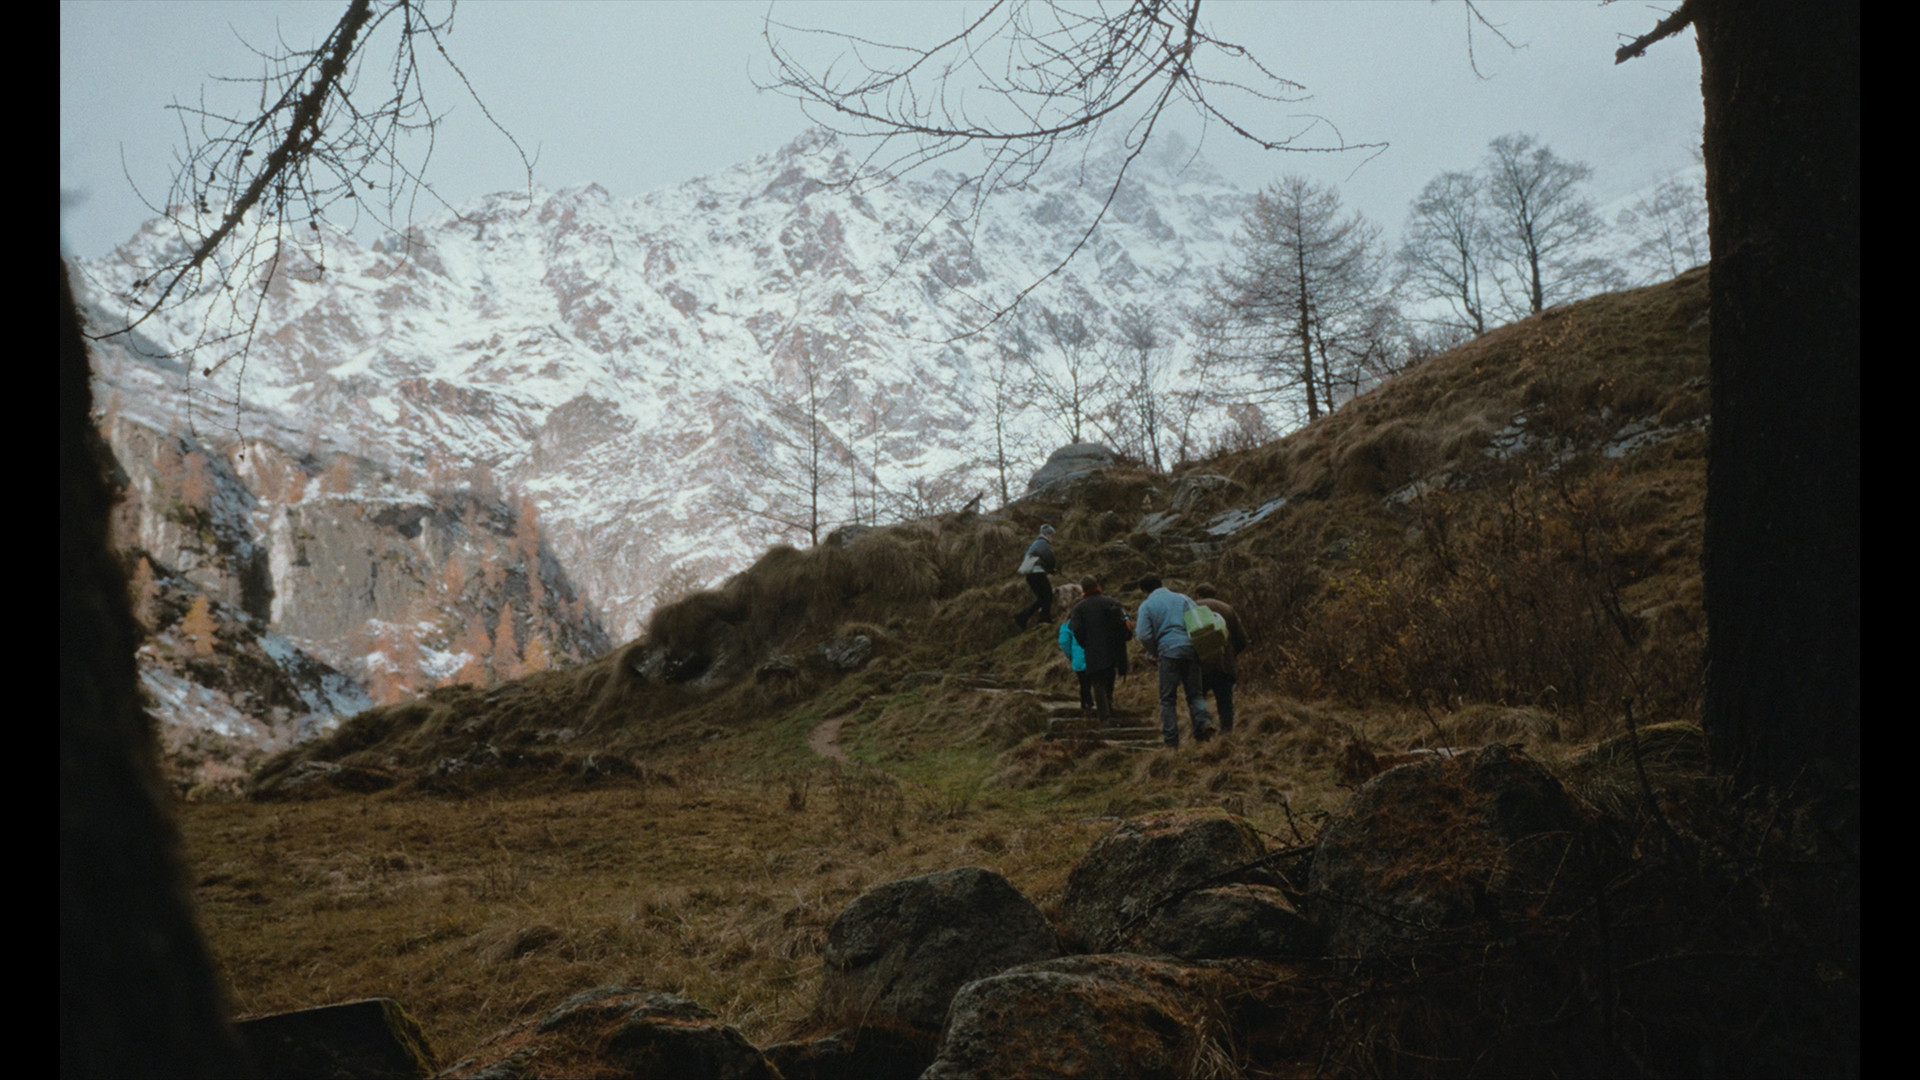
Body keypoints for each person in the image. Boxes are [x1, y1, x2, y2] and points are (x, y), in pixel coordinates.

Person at [1133, 573, 1214, 747]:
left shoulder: (1147, 606)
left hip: (1167, 652)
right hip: (1190, 649)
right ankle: (1203, 725)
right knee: (1195, 694)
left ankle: (1171, 741)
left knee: (1168, 699)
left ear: (1145, 591)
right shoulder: (1183, 599)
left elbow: (1143, 634)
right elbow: (1198, 621)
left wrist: (1154, 651)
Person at [1067, 575, 1131, 725]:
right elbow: (1126, 621)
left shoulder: (1079, 608)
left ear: (1083, 589)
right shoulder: (1112, 602)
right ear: (1097, 585)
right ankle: (1110, 702)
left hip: (1093, 649)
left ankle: (1104, 717)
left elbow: (1076, 629)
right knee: (1110, 676)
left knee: (1097, 682)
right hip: (1115, 647)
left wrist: (1084, 643)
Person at [1190, 583, 1251, 735]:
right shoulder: (1227, 608)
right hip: (1224, 664)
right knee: (1225, 702)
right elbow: (1242, 639)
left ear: (1197, 594)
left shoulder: (1190, 608)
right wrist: (1230, 655)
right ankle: (1226, 734)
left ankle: (1202, 732)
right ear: (1215, 594)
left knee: (1197, 698)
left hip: (1199, 665)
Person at [1013, 524, 1058, 629]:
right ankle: (1045, 619)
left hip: (1031, 575)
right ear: (1048, 534)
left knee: (1042, 598)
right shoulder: (1043, 543)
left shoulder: (1036, 544)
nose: (1053, 538)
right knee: (1048, 595)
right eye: (1052, 535)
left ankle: (1023, 617)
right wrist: (1052, 569)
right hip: (1038, 573)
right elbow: (1049, 557)